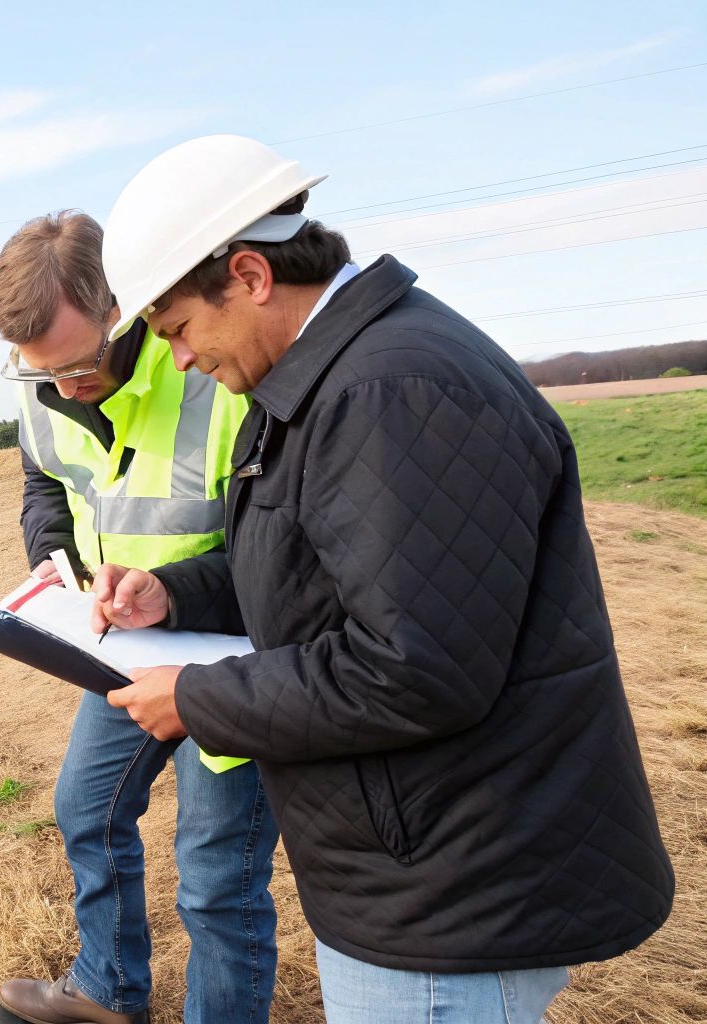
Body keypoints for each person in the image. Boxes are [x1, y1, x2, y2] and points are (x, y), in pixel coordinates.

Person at [91, 135, 673, 1023]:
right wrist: (179, 593)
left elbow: (417, 667)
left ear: (247, 275)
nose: (179, 360)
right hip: (417, 867)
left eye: (177, 330)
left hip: (454, 891)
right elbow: (320, 568)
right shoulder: (326, 381)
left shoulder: (391, 392)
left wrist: (200, 700)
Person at [0, 211, 273, 1024]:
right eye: (42, 373)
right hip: (118, 646)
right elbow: (44, 483)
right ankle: (108, 992)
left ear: (122, 306)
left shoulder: (215, 371)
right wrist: (51, 555)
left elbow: (280, 555)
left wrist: (169, 586)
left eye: (79, 365)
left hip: (233, 658)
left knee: (218, 875)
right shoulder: (43, 386)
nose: (66, 389)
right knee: (87, 808)